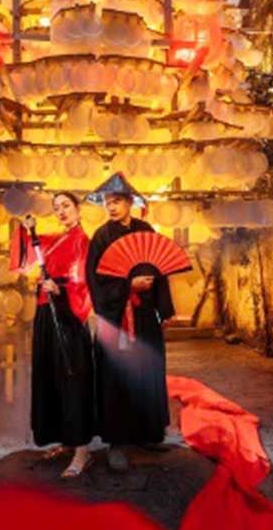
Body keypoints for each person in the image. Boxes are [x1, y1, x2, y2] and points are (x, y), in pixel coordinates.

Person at [85, 173, 174, 472]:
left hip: (145, 316)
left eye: (117, 201)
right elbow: (95, 281)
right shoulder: (101, 237)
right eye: (108, 202)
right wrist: (128, 287)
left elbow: (161, 267)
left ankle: (147, 433)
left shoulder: (146, 230)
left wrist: (164, 310)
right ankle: (117, 442)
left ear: (130, 203)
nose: (111, 207)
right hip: (117, 319)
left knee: (147, 373)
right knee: (116, 378)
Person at [9, 191, 95, 478]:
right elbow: (30, 247)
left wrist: (62, 291)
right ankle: (66, 440)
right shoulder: (56, 239)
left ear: (78, 209)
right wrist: (25, 226)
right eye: (56, 207)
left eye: (66, 206)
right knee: (51, 376)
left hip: (68, 316)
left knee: (73, 378)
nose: (61, 211)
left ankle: (83, 451)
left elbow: (85, 283)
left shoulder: (83, 242)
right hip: (46, 313)